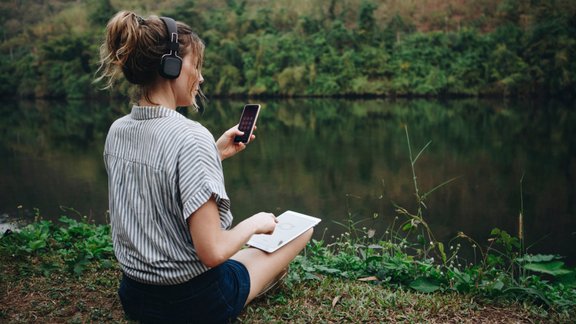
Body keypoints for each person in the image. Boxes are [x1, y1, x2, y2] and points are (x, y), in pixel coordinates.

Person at [96, 10, 313, 323]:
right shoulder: (190, 136)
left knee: (240, 255)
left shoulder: (118, 130)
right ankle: (259, 284)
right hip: (194, 304)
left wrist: (215, 154)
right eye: (195, 65)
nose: (200, 76)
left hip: (135, 297)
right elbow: (211, 251)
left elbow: (156, 179)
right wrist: (255, 222)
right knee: (299, 232)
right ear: (172, 66)